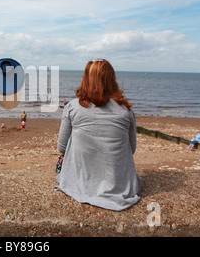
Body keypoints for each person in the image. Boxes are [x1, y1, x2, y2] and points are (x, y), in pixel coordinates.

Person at [54, 58, 141, 211]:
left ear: (86, 79)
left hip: (79, 184)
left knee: (63, 158)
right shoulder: (126, 111)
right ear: (112, 80)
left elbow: (61, 147)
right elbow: (131, 150)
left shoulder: (72, 107)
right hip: (119, 186)